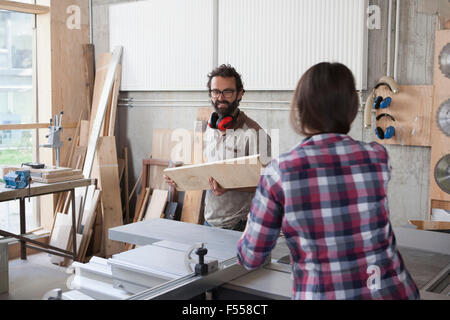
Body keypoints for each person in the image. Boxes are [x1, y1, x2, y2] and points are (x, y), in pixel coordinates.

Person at [237, 62, 420, 300]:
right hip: (392, 292)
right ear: (352, 109)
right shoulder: (377, 157)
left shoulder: (280, 172)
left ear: (301, 108)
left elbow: (252, 257)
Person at [165, 64, 271, 231]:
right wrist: (180, 179)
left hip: (241, 225)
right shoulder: (210, 128)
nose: (220, 97)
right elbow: (209, 171)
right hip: (210, 220)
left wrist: (228, 184)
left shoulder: (257, 134)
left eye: (227, 92)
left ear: (240, 94)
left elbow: (268, 184)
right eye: (215, 92)